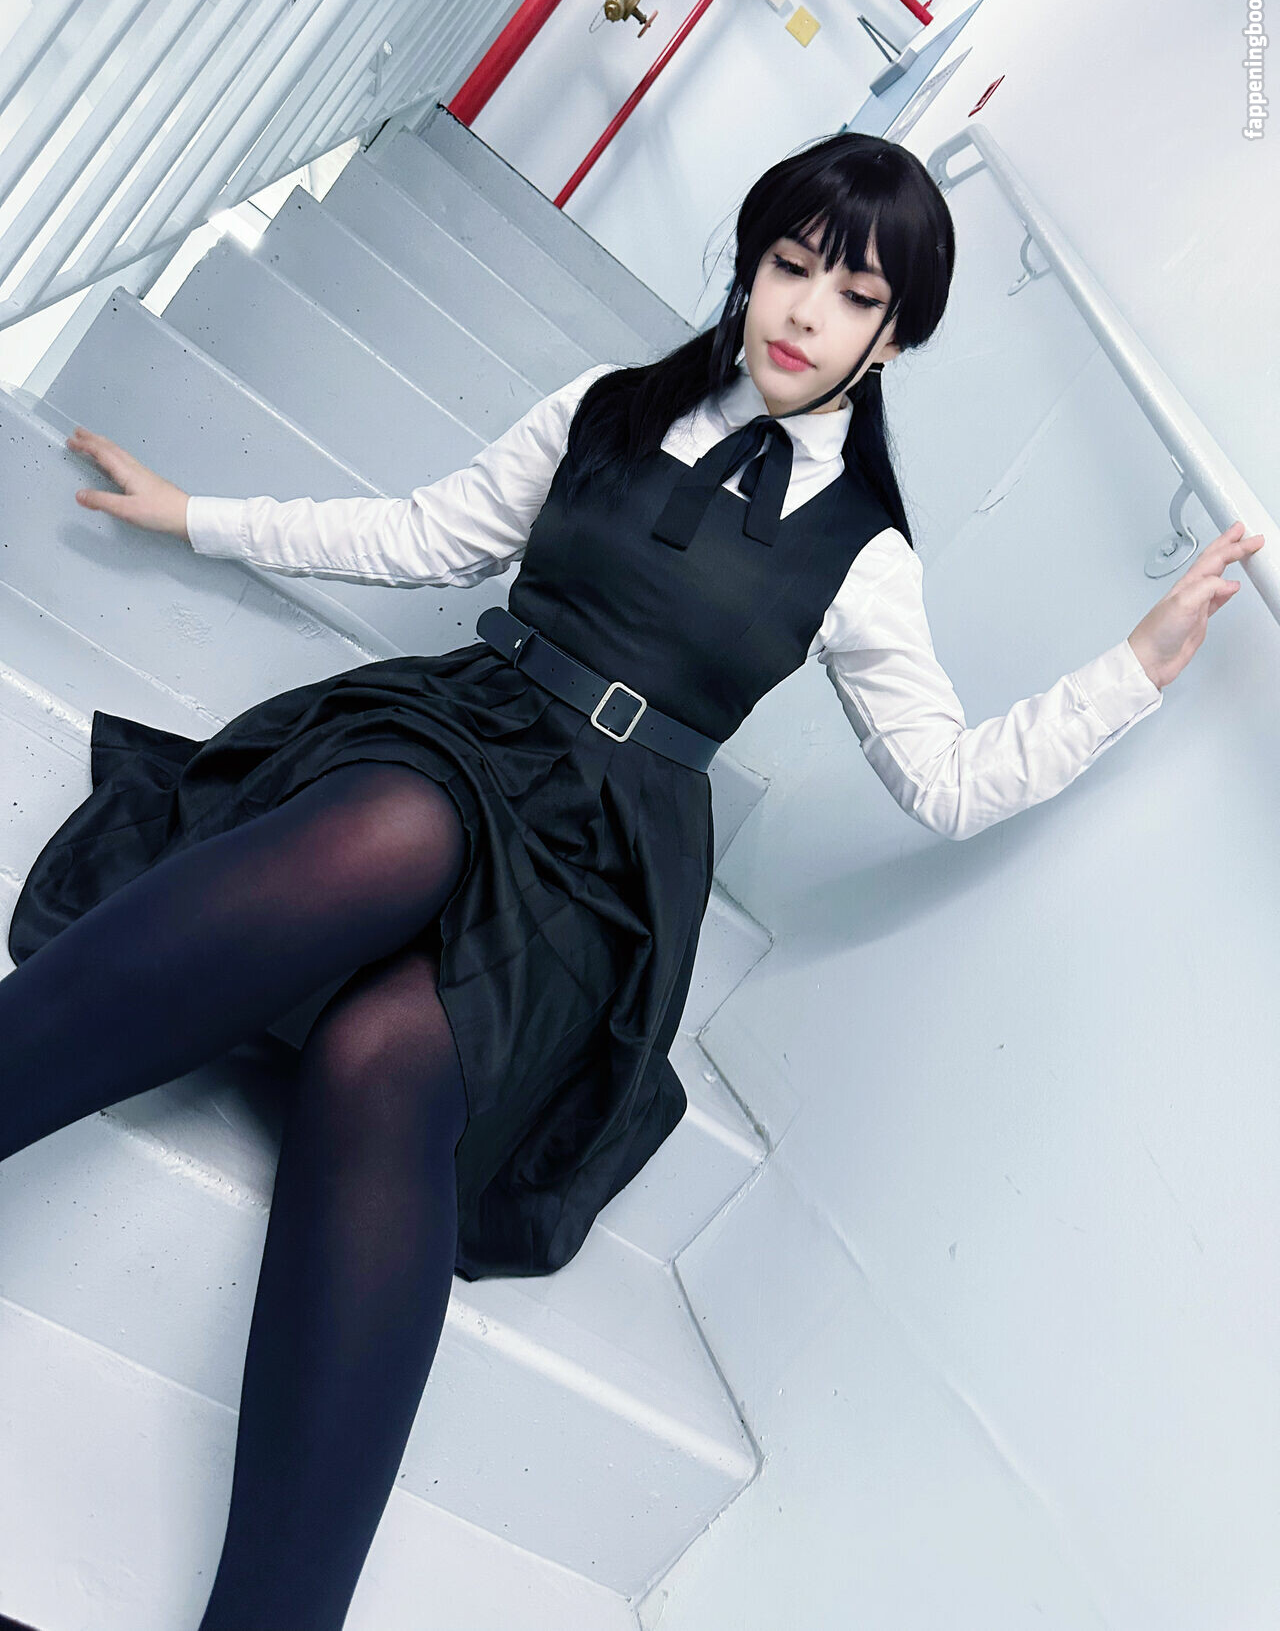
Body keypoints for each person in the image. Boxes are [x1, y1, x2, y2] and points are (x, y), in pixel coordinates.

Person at [2, 132, 1262, 1629]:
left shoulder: (867, 559)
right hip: (465, 729)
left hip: (602, 861)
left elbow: (944, 778)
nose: (806, 313)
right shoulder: (605, 410)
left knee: (383, 1054)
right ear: (750, 266)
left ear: (895, 335)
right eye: (790, 267)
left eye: (855, 296)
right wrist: (193, 513)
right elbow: (424, 535)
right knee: (394, 831)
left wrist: (1132, 672)